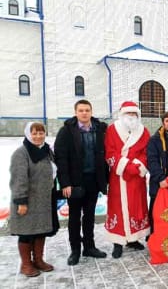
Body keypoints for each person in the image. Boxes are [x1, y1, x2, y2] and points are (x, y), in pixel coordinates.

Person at [55, 99, 108, 265]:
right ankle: (75, 250)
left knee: (90, 216)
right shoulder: (67, 131)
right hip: (75, 181)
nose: (84, 113)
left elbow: (105, 153)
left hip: (93, 179)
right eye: (81, 110)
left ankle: (89, 247)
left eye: (87, 110)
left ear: (91, 112)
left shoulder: (100, 129)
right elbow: (61, 158)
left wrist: (104, 179)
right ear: (76, 112)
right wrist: (65, 183)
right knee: (74, 217)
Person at [9, 122, 59, 277]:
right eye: (34, 133)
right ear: (28, 135)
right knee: (26, 233)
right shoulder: (22, 153)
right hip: (28, 200)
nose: (38, 136)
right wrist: (21, 201)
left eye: (41, 133)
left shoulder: (46, 151)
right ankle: (26, 264)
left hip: (44, 199)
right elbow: (19, 179)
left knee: (40, 230)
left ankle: (38, 260)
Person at [104, 101, 150, 258]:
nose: (131, 117)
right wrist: (125, 166)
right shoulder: (112, 130)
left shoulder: (144, 131)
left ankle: (133, 238)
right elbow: (109, 151)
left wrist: (137, 166)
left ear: (137, 115)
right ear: (122, 115)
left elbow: (146, 152)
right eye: (128, 114)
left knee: (136, 206)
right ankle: (118, 242)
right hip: (119, 176)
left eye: (133, 114)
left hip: (136, 177)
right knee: (118, 207)